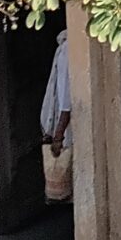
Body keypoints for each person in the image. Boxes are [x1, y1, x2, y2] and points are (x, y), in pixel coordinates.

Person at [40, 28, 74, 203]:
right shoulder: (64, 47)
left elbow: (66, 97)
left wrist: (58, 134)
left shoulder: (68, 49)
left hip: (67, 125)